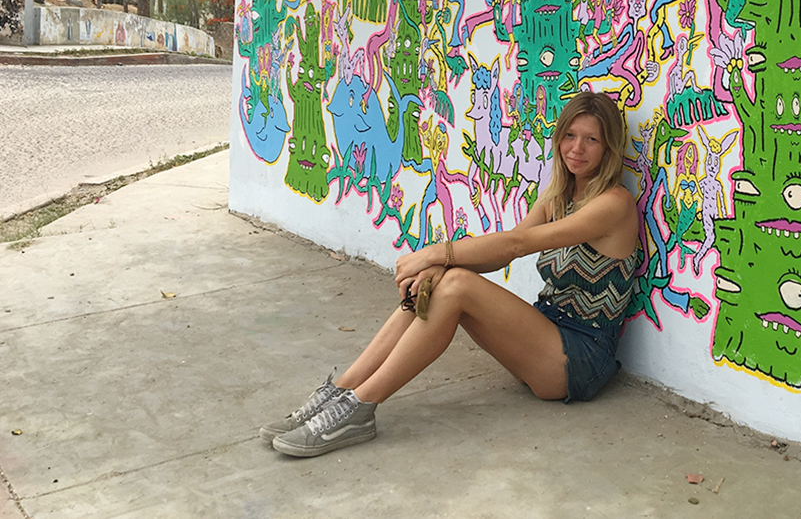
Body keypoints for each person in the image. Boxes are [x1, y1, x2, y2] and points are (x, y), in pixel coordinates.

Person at [261, 91, 642, 457]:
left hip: (580, 356)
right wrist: (437, 265)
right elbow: (500, 255)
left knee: (455, 282)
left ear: (609, 148)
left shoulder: (613, 205)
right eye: (570, 136)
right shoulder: (559, 196)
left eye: (591, 140)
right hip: (545, 335)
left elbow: (515, 246)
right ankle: (342, 391)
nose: (577, 149)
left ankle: (359, 407)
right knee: (441, 279)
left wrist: (434, 253)